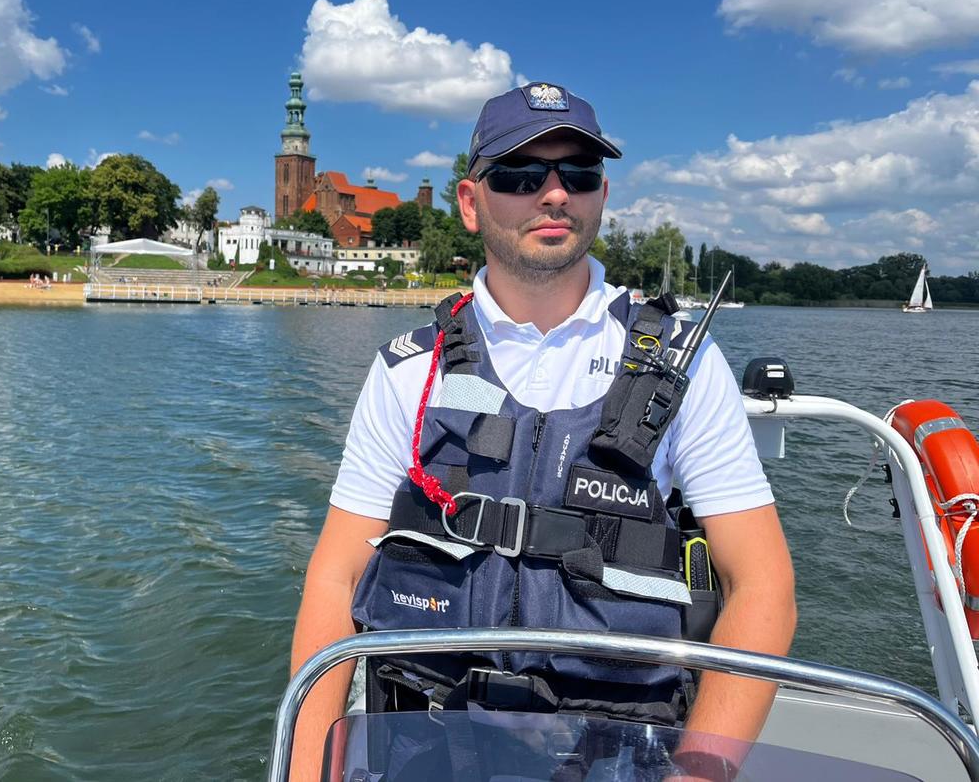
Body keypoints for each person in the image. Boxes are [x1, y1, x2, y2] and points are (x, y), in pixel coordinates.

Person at [289, 82, 796, 780]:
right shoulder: (408, 371)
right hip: (429, 745)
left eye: (578, 173)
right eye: (520, 175)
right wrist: (306, 769)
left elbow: (763, 586)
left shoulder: (684, 365)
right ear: (471, 203)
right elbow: (336, 576)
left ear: (601, 194)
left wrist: (695, 774)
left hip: (618, 755)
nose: (554, 193)